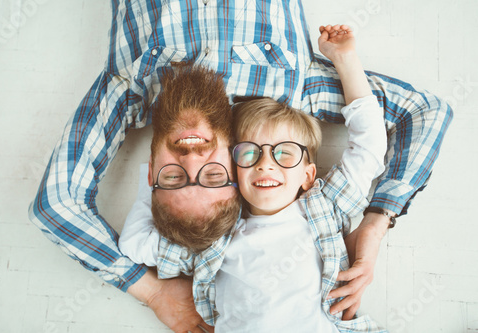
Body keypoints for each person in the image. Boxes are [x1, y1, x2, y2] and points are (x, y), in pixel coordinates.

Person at [28, 1, 452, 331]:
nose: (192, 157)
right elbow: (414, 117)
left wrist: (152, 292)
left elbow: (60, 208)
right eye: (215, 175)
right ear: (236, 180)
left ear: (152, 168)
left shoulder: (127, 88)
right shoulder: (287, 104)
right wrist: (375, 224)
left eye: (173, 176)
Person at [119, 24, 388, 332]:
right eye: (249, 154)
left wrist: (345, 60)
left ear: (308, 175)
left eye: (285, 154)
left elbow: (370, 146)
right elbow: (134, 244)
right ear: (233, 172)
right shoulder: (215, 239)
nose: (265, 164)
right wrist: (155, 174)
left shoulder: (325, 206)